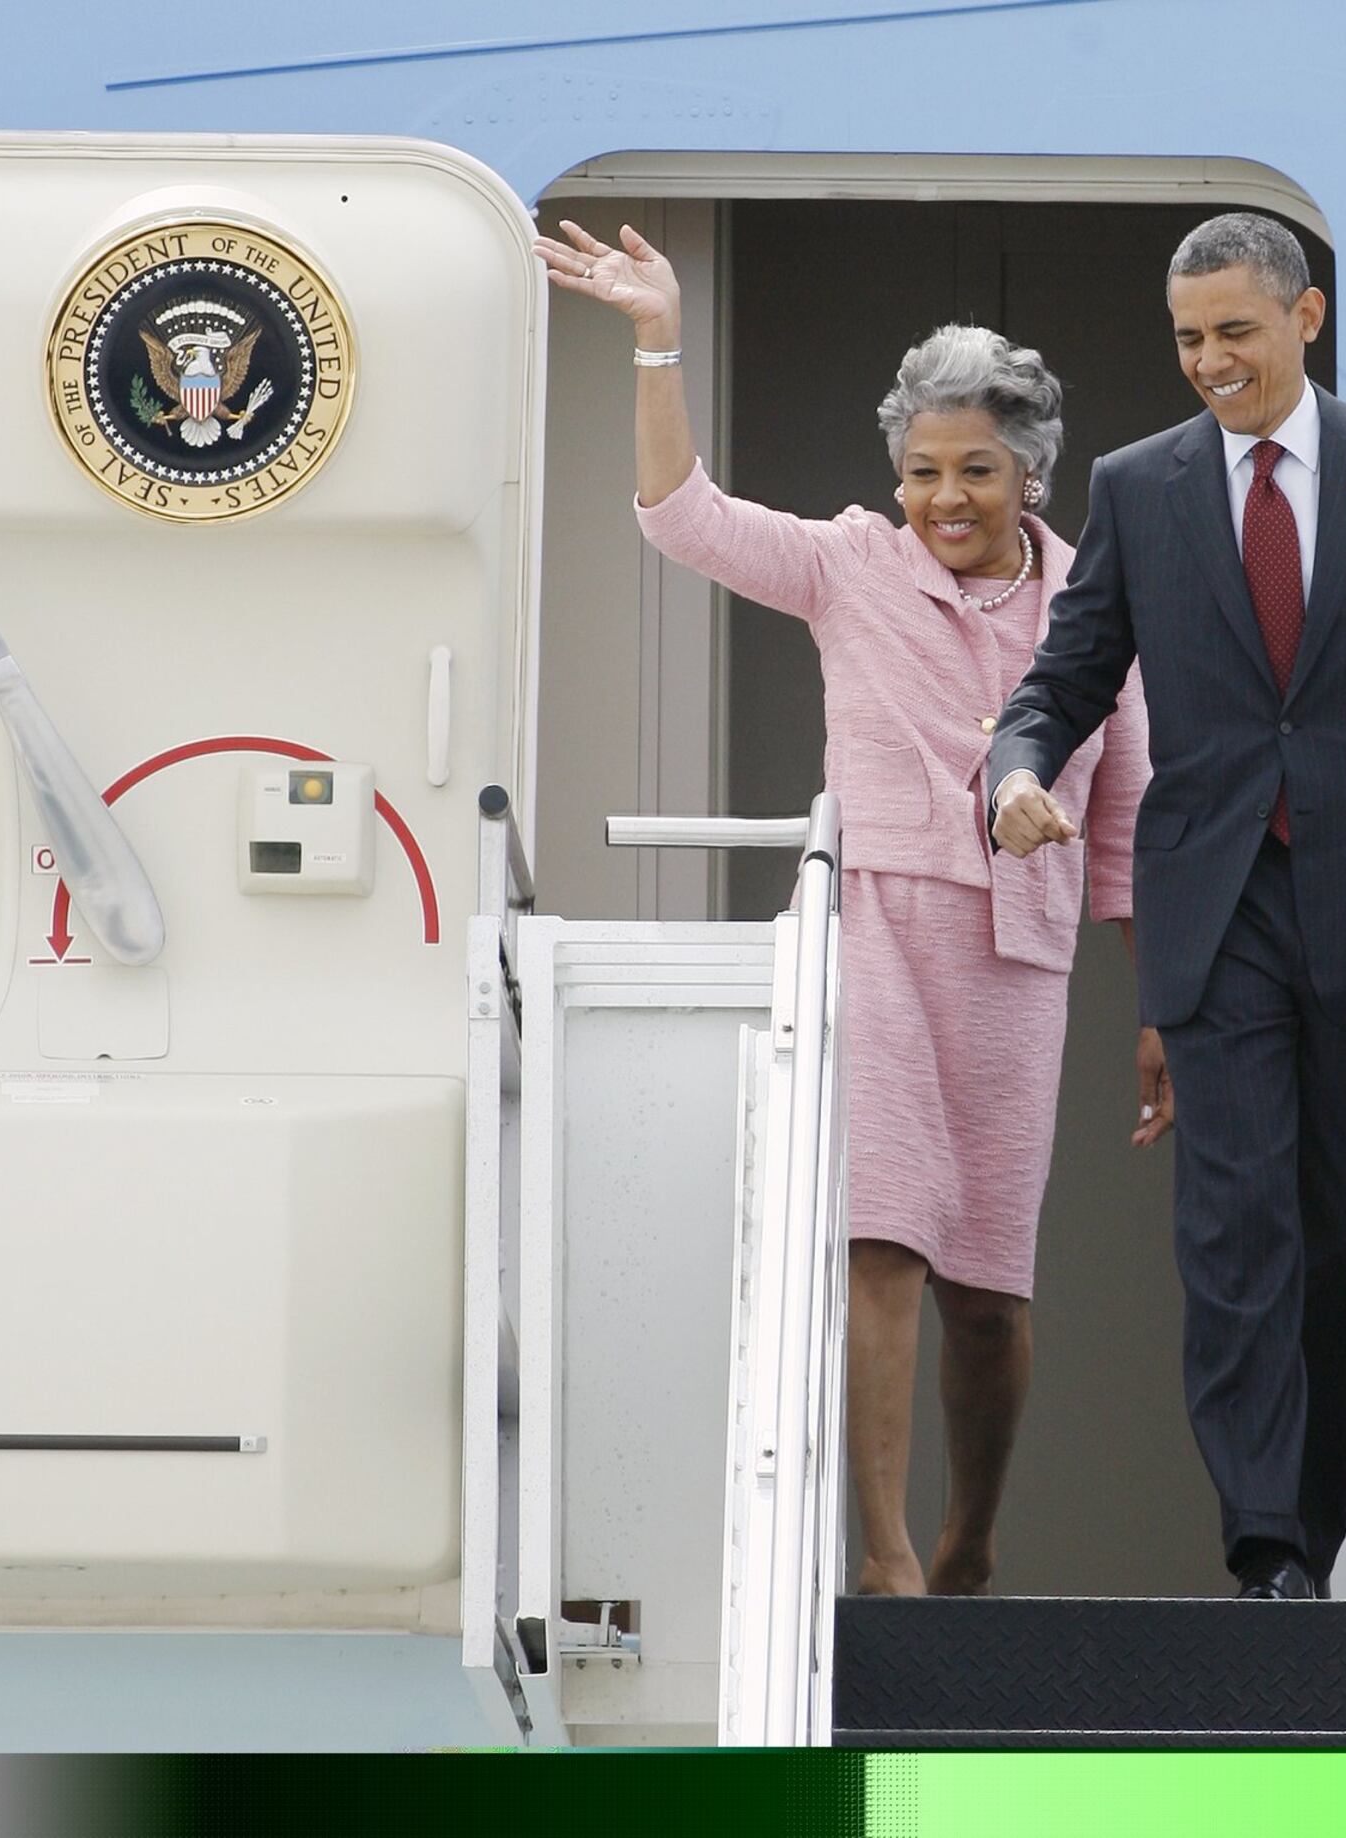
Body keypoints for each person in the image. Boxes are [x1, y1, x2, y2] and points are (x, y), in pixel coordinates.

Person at [533, 218, 1159, 1597]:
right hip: (876, 934)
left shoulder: (1094, 607)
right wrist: (658, 340)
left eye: (976, 472)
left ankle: (968, 1539)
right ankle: (881, 1557)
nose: (945, 496)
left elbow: (1125, 823)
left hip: (1017, 962)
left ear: (1031, 474)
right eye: (923, 470)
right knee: (882, 1242)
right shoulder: (848, 564)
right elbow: (677, 513)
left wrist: (1160, 1005)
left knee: (988, 1294)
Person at [989, 213, 1346, 1600]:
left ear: (1307, 317)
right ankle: (1265, 1546)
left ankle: (1314, 1530)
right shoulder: (1140, 484)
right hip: (1213, 913)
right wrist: (1017, 769)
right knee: (1235, 1234)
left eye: (1235, 330)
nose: (1209, 360)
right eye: (1187, 337)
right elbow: (1064, 677)